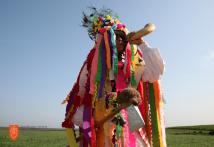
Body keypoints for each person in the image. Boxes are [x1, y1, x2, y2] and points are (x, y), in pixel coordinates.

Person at [62, 7, 166, 147]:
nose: (119, 42)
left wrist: (142, 44)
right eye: (113, 37)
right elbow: (75, 109)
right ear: (102, 42)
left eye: (122, 37)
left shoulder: (134, 66)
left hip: (132, 135)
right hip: (101, 137)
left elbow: (156, 72)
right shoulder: (90, 68)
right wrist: (95, 116)